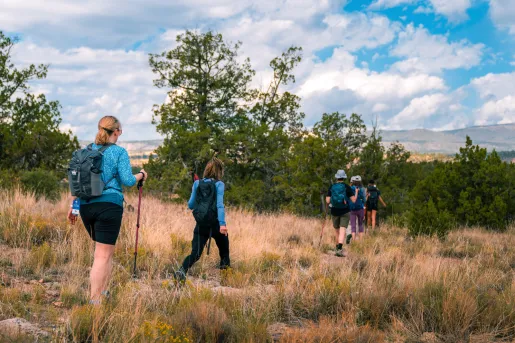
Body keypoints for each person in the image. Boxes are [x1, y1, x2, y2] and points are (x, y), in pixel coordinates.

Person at [67, 115, 147, 305]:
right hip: (109, 206)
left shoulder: (84, 152)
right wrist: (142, 175)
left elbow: (76, 183)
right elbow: (128, 180)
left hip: (86, 206)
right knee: (102, 255)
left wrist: (73, 207)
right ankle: (95, 302)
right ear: (116, 132)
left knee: (105, 253)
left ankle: (103, 293)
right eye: (120, 131)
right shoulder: (119, 152)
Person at [174, 157, 229, 282]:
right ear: (219, 171)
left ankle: (181, 271)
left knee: (195, 254)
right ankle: (226, 278)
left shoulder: (197, 183)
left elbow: (190, 205)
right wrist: (222, 225)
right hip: (215, 224)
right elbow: (220, 205)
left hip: (201, 224)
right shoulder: (219, 184)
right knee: (224, 252)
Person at [326, 170, 356, 257]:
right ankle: (339, 248)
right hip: (345, 211)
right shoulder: (347, 187)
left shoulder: (332, 187)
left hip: (334, 210)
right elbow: (353, 200)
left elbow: (327, 200)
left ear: (336, 177)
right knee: (343, 230)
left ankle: (337, 247)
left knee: (337, 230)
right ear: (344, 177)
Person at [349, 176, 366, 242]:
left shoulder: (350, 189)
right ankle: (361, 241)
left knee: (353, 225)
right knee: (360, 224)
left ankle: (353, 240)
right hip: (360, 208)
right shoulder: (362, 189)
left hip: (352, 209)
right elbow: (364, 200)